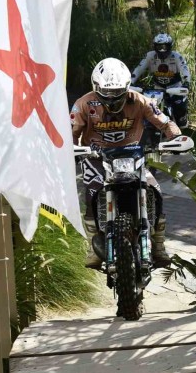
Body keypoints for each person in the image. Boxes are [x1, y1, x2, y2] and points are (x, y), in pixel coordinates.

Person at [72, 57, 181, 269]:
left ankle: (158, 246)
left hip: (133, 156)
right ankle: (92, 247)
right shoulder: (83, 104)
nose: (112, 97)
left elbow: (165, 122)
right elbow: (71, 130)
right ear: (95, 86)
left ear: (127, 87)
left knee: (156, 190)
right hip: (96, 158)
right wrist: (72, 148)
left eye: (117, 92)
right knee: (91, 193)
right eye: (107, 92)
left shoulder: (141, 101)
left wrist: (176, 138)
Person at [130, 33, 191, 127]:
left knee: (180, 109)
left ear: (170, 46)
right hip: (158, 88)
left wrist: (187, 82)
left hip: (175, 88)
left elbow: (184, 69)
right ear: (155, 46)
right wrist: (131, 81)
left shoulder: (176, 56)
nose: (162, 50)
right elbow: (139, 68)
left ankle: (183, 127)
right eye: (159, 47)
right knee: (148, 108)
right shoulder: (150, 56)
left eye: (164, 47)